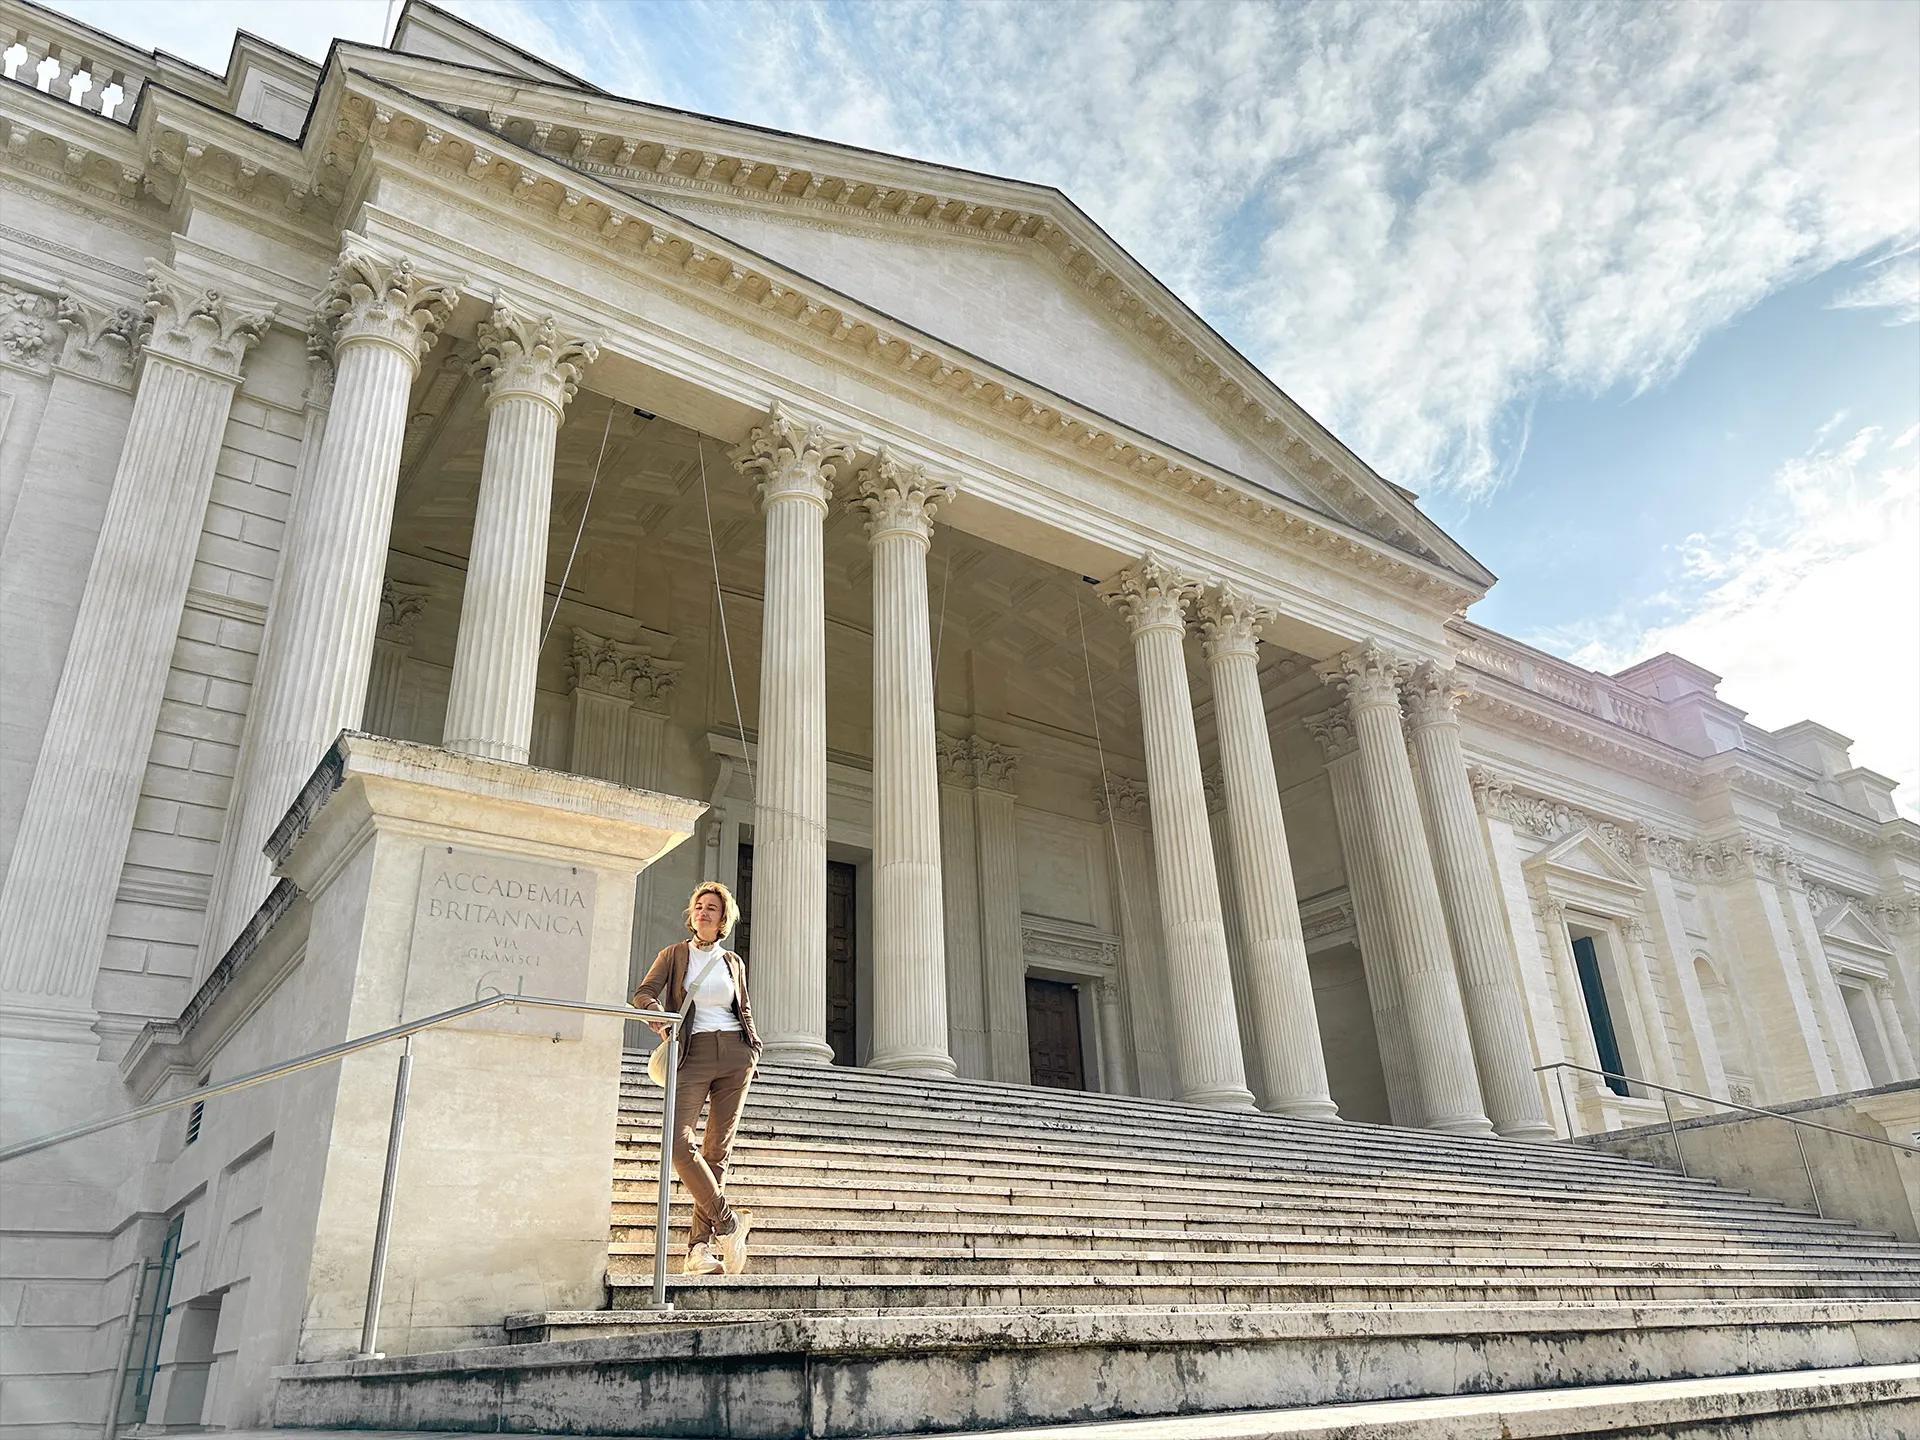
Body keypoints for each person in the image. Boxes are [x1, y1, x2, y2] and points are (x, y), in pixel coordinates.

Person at [632, 880, 760, 1276]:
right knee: (678, 1141)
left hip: (736, 1055)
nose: (703, 912)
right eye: (699, 906)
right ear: (692, 915)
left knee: (716, 1152)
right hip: (693, 1051)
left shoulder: (732, 961)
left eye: (712, 908)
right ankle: (729, 1223)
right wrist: (659, 1015)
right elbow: (644, 993)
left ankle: (698, 1251)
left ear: (723, 920)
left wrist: (754, 1048)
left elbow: (742, 1008)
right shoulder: (674, 954)